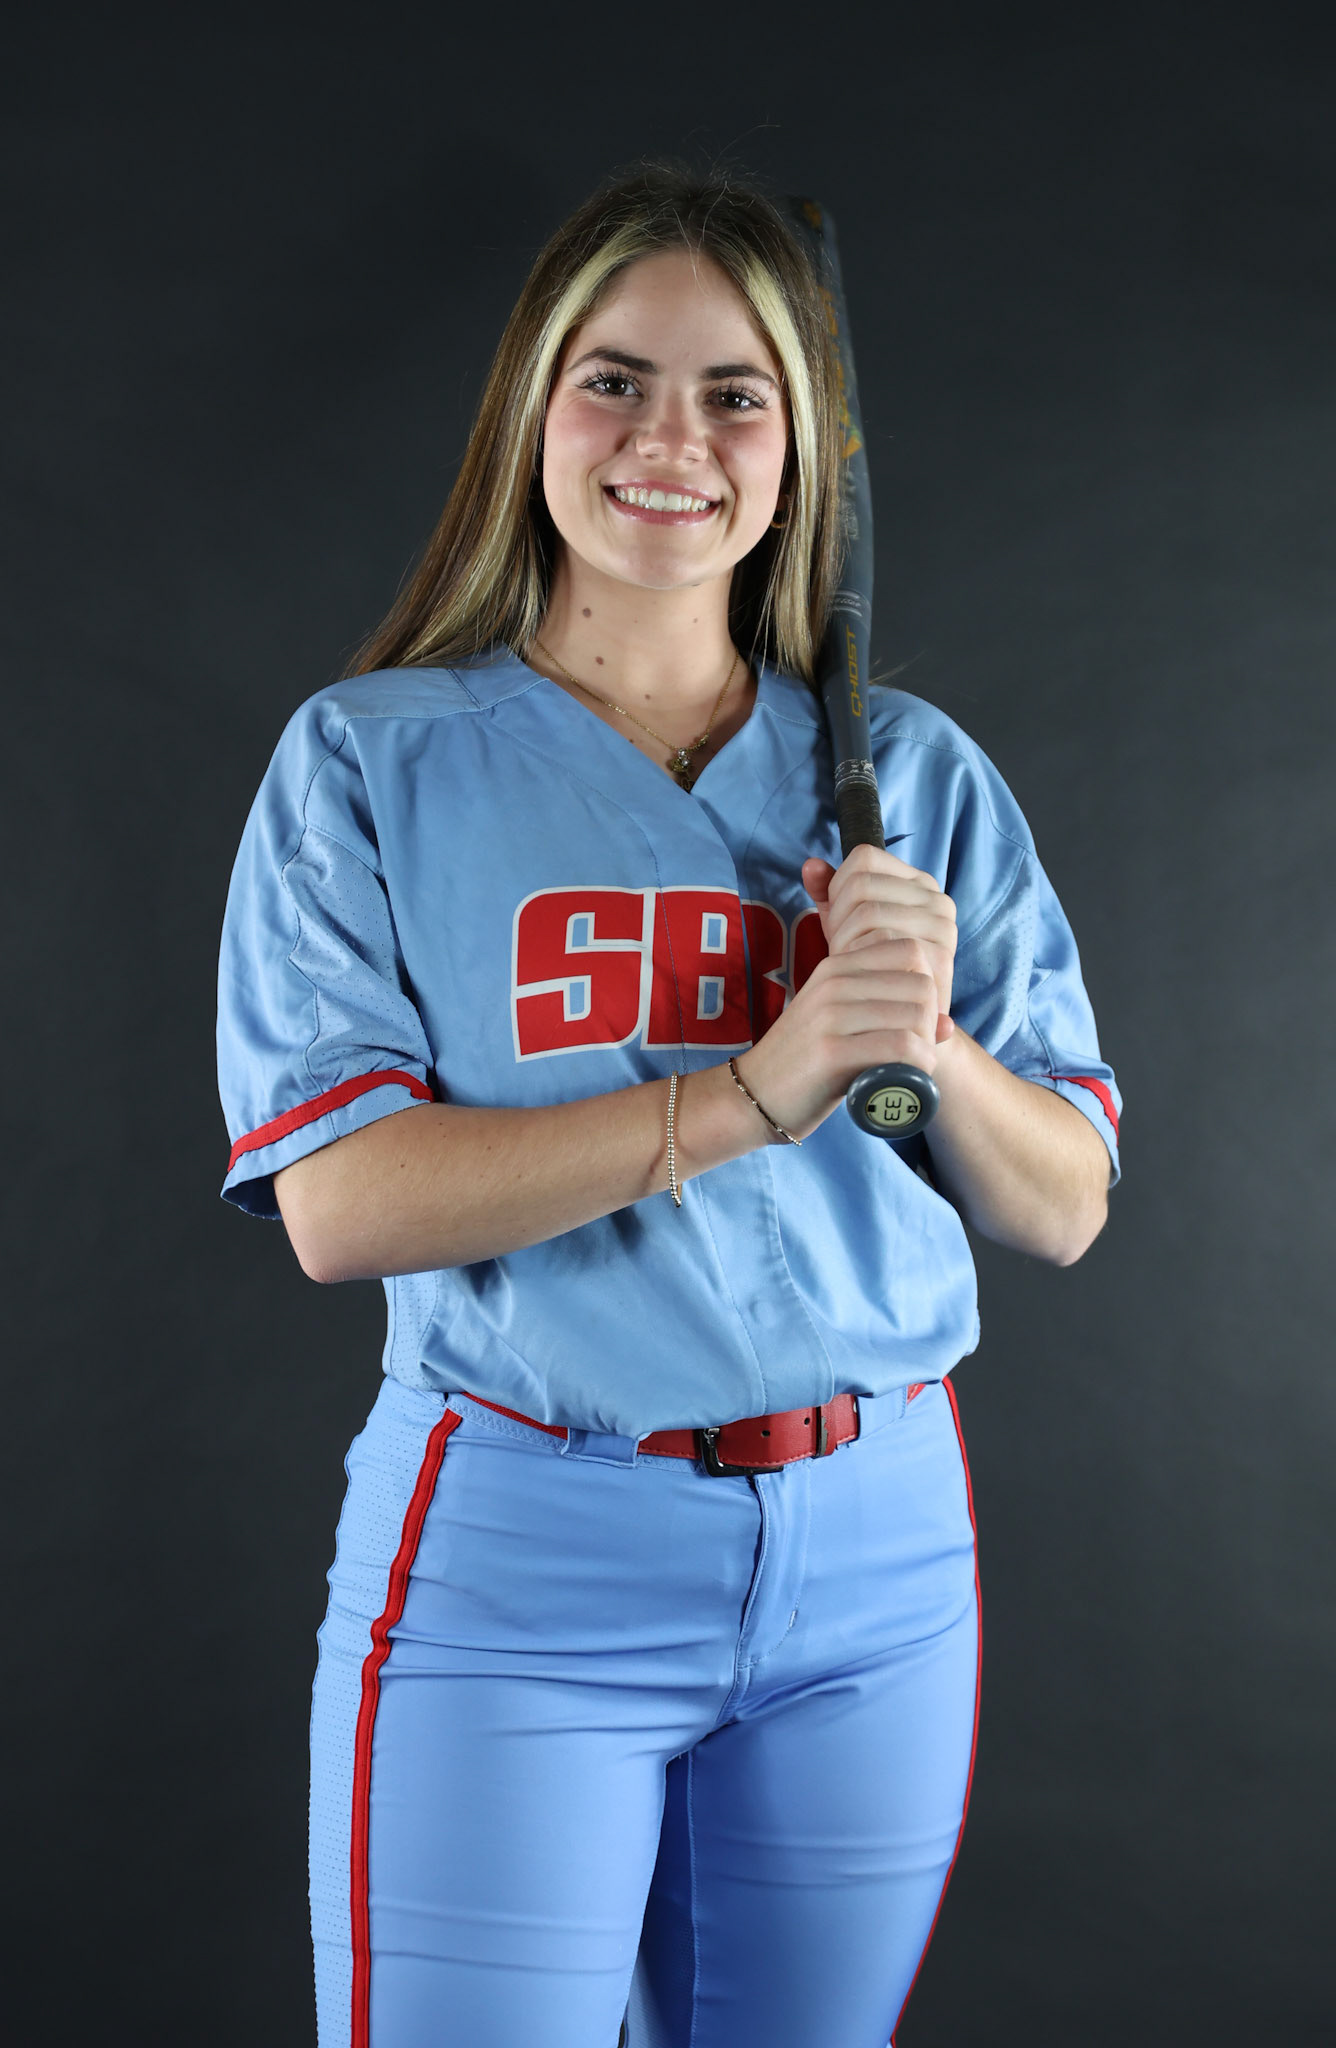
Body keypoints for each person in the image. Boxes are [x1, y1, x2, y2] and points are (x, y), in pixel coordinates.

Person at [216, 160, 1121, 2048]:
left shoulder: (912, 777)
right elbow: (344, 1206)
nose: (669, 441)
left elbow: (1059, 1203)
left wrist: (925, 1038)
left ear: (796, 454)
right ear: (531, 413)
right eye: (613, 381)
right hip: (521, 1551)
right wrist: (757, 1086)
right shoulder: (369, 760)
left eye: (733, 395)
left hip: (880, 1555)